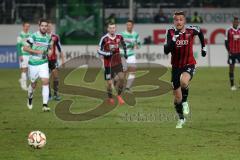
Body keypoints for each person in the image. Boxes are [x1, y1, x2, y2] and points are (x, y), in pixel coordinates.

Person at [164, 11, 207, 128]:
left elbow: (200, 32)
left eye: (181, 19)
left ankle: (185, 101)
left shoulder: (191, 30)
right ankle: (181, 119)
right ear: (174, 21)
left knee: (184, 82)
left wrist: (204, 47)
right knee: (177, 97)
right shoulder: (170, 32)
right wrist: (173, 40)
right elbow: (166, 50)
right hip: (176, 67)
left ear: (184, 21)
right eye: (176, 20)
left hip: (189, 64)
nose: (179, 22)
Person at [23, 18, 53, 112]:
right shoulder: (33, 36)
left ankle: (45, 105)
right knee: (33, 84)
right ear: (39, 26)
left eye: (45, 26)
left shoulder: (48, 37)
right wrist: (38, 51)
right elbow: (25, 48)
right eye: (42, 26)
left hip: (43, 62)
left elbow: (50, 49)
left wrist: (50, 53)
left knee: (46, 81)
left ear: (47, 27)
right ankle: (30, 96)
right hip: (33, 64)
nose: (44, 27)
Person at [98, 23, 128, 105]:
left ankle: (119, 96)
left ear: (115, 29)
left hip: (117, 62)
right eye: (110, 28)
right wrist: (107, 54)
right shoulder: (104, 38)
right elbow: (99, 50)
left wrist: (125, 53)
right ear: (108, 29)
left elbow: (124, 45)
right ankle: (110, 98)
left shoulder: (119, 37)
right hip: (108, 64)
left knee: (122, 79)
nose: (112, 29)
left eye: (113, 28)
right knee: (109, 84)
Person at [120, 20, 141, 92]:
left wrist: (135, 44)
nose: (128, 26)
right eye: (127, 25)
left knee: (133, 71)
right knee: (124, 72)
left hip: (131, 54)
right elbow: (118, 44)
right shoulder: (122, 34)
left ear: (132, 26)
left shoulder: (136, 34)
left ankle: (127, 88)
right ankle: (121, 85)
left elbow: (138, 46)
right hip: (122, 54)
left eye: (130, 25)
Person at [47, 22, 65, 100]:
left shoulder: (55, 37)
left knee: (55, 76)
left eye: (50, 26)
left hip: (53, 60)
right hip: (45, 60)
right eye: (47, 26)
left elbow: (60, 48)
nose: (49, 28)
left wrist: (63, 59)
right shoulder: (41, 37)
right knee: (46, 78)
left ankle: (56, 94)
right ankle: (48, 95)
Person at [225, 16, 240, 91]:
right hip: (232, 53)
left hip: (239, 52)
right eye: (235, 22)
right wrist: (229, 51)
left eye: (237, 22)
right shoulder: (228, 30)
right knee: (231, 68)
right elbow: (226, 42)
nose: (236, 23)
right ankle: (232, 85)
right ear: (233, 22)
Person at [17, 22, 31, 91]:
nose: (27, 27)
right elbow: (18, 46)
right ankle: (24, 85)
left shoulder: (30, 34)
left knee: (27, 69)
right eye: (26, 26)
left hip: (30, 54)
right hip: (24, 54)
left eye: (28, 26)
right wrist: (20, 55)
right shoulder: (20, 35)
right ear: (23, 27)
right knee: (24, 69)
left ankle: (22, 80)